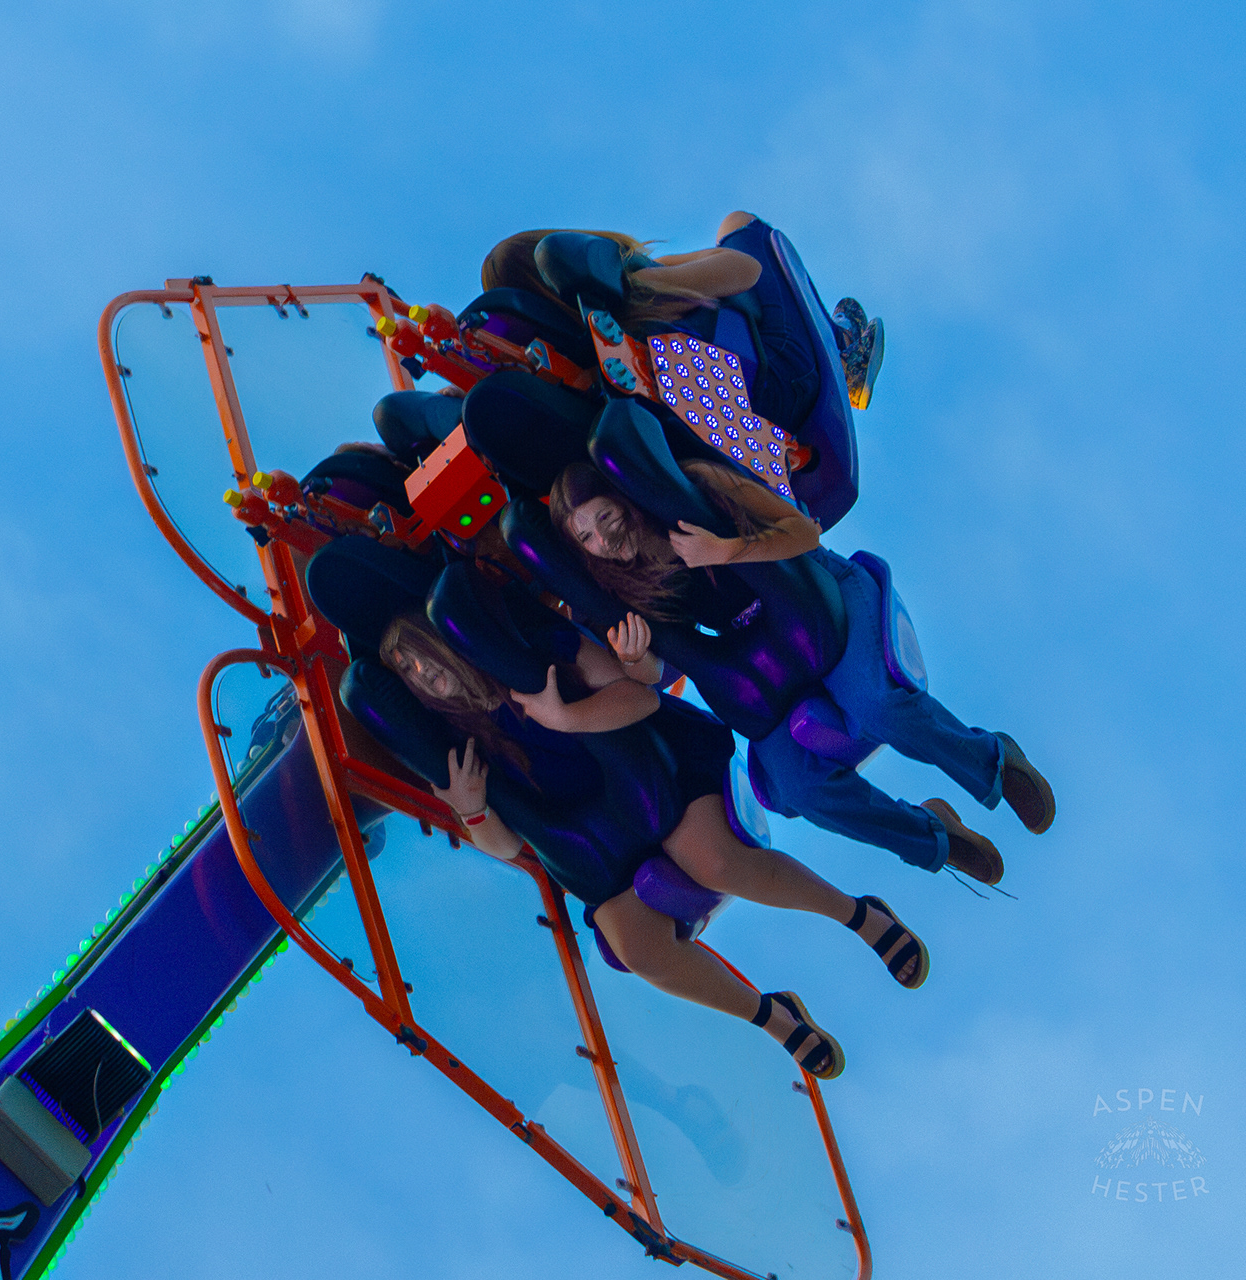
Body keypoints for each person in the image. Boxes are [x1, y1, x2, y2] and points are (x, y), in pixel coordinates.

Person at [369, 602, 932, 1082]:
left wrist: (562, 715)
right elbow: (506, 847)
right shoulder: (452, 743)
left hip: (650, 769)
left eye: (422, 652)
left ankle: (863, 917)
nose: (421, 670)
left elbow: (639, 698)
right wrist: (470, 810)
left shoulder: (526, 650)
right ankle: (775, 1017)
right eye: (406, 669)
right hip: (595, 836)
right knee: (637, 950)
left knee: (713, 862)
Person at [544, 454, 1055, 883]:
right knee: (798, 788)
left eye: (606, 519)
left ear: (626, 498)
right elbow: (655, 676)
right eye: (586, 538)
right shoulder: (616, 585)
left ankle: (993, 761)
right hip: (761, 655)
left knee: (878, 707)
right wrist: (635, 659)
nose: (604, 542)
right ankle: (932, 837)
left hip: (820, 597)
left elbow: (803, 532)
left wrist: (725, 551)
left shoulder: (695, 482)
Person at [482, 211, 884, 418]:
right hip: (784, 378)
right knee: (740, 225)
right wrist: (662, 272)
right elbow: (745, 270)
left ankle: (838, 342)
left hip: (746, 420)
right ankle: (842, 349)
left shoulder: (577, 358)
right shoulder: (631, 287)